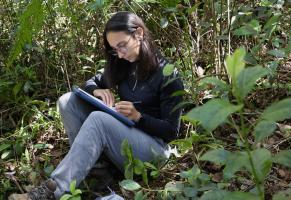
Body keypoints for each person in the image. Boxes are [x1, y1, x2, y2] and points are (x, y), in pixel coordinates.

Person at [10, 11, 184, 200]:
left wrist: (138, 117)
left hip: (153, 152)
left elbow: (171, 132)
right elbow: (92, 81)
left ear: (139, 34)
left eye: (122, 46)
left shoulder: (168, 74)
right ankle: (97, 174)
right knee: (67, 101)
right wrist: (96, 90)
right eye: (114, 49)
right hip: (124, 145)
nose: (119, 54)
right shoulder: (123, 63)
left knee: (99, 120)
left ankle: (52, 191)